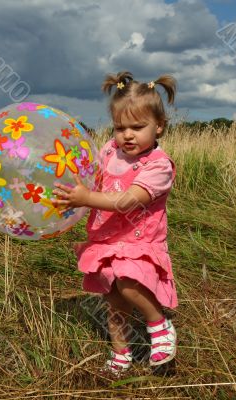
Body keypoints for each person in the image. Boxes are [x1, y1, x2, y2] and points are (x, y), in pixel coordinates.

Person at [52, 71, 178, 375]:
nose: (127, 135)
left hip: (138, 241)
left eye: (138, 126)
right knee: (114, 303)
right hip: (108, 240)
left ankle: (160, 327)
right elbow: (91, 178)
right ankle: (122, 352)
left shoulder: (158, 166)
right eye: (120, 127)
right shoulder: (110, 151)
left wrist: (85, 198)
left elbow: (126, 201)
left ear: (159, 126)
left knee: (130, 283)